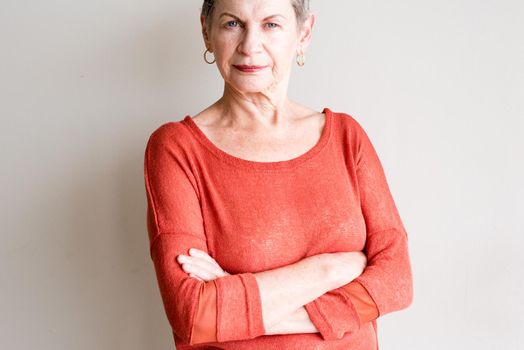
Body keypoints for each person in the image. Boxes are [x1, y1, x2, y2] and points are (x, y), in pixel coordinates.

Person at [143, 0, 413, 349]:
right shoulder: (177, 148)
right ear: (206, 32)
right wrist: (328, 271)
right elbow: (194, 314)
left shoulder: (347, 137)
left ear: (304, 33)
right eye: (232, 24)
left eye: (271, 24)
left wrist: (236, 300)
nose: (250, 45)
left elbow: (397, 280)